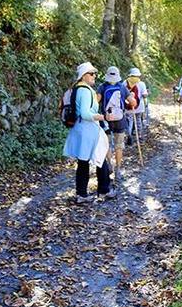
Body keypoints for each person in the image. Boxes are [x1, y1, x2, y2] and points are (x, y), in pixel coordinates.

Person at [63, 62, 115, 203]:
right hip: (87, 129)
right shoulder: (85, 91)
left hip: (81, 129)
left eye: (94, 73)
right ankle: (104, 190)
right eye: (91, 73)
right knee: (100, 156)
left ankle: (82, 194)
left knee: (84, 161)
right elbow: (86, 113)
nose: (94, 76)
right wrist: (103, 117)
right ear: (83, 76)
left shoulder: (78, 89)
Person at [97, 66, 135, 183]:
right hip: (120, 120)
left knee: (106, 143)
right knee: (119, 145)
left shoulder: (102, 87)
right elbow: (132, 102)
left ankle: (109, 165)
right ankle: (118, 170)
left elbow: (95, 101)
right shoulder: (122, 87)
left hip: (106, 119)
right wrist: (132, 98)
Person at [124, 68, 148, 144]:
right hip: (139, 107)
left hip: (128, 106)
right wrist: (147, 93)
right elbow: (144, 95)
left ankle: (129, 136)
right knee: (138, 121)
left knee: (129, 121)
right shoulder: (141, 83)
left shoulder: (125, 82)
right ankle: (140, 137)